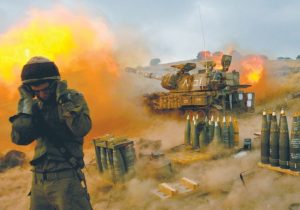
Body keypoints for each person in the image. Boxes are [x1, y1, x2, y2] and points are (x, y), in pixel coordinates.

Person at [9, 56, 93, 210]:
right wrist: (25, 104)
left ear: (55, 84)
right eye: (36, 91)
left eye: (46, 89)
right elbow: (19, 138)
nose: (42, 94)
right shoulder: (33, 107)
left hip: (65, 179)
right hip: (39, 181)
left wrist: (63, 100)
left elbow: (81, 129)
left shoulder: (72, 100)